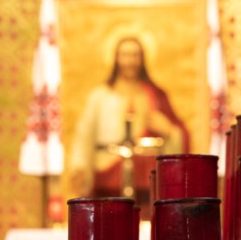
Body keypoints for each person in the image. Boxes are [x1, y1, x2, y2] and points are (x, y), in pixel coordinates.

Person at [66, 37, 190, 203]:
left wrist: (170, 131)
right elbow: (84, 136)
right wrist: (79, 167)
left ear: (142, 59)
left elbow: (177, 132)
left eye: (135, 55)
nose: (130, 61)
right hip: (106, 178)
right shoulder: (100, 97)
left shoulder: (155, 96)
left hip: (145, 181)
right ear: (116, 58)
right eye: (125, 55)